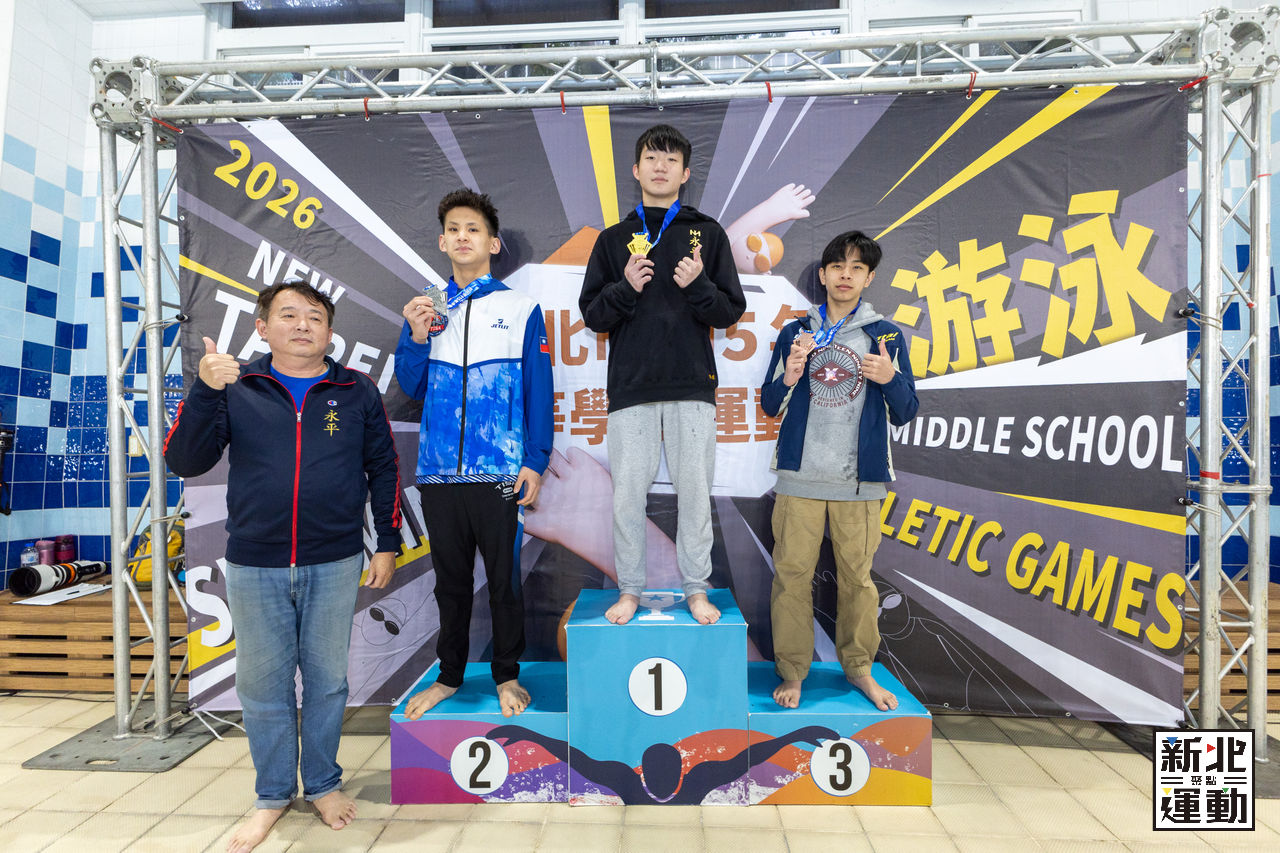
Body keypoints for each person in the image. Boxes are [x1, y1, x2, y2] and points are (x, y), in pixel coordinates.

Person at [164, 280, 401, 853]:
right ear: (262, 327)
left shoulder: (356, 389)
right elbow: (184, 459)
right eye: (288, 315)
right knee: (262, 686)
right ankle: (271, 795)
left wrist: (387, 543)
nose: (302, 325)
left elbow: (384, 467)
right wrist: (203, 389)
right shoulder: (236, 385)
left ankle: (322, 785)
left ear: (330, 332)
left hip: (335, 559)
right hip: (255, 562)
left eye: (314, 317)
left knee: (327, 682)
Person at [578, 123, 746, 626]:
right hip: (631, 388)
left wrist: (698, 286)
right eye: (652, 158)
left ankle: (696, 589)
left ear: (685, 173)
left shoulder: (707, 234)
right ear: (636, 170)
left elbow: (728, 312)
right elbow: (593, 316)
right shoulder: (613, 240)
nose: (660, 167)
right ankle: (630, 589)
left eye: (671, 160)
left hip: (692, 386)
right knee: (627, 498)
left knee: (695, 495)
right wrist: (625, 287)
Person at [395, 188, 553, 720]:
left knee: (505, 583)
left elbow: (538, 387)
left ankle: (507, 674)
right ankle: (449, 675)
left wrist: (535, 459)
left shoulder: (520, 308)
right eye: (454, 229)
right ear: (442, 242)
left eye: (474, 229)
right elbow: (412, 386)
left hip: (501, 470)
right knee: (451, 585)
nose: (463, 237)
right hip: (439, 472)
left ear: (493, 243)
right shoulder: (425, 307)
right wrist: (416, 337)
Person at [760, 230, 919, 710]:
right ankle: (792, 672)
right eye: (837, 267)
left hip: (860, 482)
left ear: (869, 278)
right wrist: (790, 374)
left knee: (858, 582)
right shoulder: (797, 333)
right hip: (800, 478)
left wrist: (890, 379)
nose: (845, 275)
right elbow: (770, 403)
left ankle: (860, 670)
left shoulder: (886, 335)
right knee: (791, 578)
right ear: (824, 275)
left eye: (856, 268)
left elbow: (907, 410)